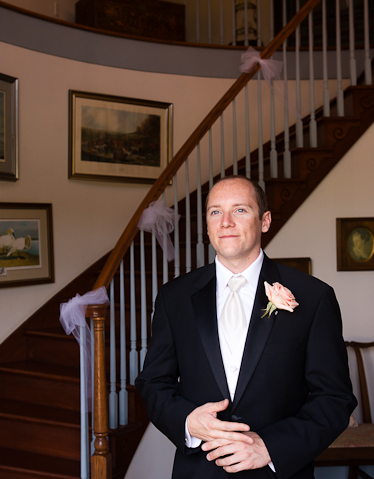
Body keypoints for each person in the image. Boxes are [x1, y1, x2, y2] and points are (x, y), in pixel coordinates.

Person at [135, 176, 357, 479]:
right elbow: (153, 382)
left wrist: (271, 446)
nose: (225, 222)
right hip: (200, 471)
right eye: (215, 212)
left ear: (264, 221)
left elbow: (335, 398)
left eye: (239, 210)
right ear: (207, 224)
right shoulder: (174, 297)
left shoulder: (314, 296)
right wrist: (187, 421)